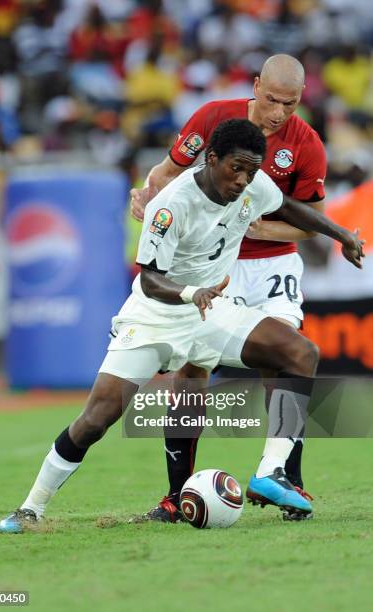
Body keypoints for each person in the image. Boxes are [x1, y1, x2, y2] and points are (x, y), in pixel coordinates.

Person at [0, 119, 363, 533]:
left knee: (301, 352)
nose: (243, 180)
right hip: (156, 315)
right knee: (97, 417)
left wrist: (340, 235)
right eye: (236, 169)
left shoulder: (251, 181)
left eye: (250, 171)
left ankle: (272, 470)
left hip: (209, 311)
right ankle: (30, 508)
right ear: (211, 159)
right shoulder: (170, 205)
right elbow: (151, 279)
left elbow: (286, 205)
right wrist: (193, 294)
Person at [130, 54, 329, 521]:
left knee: (284, 361)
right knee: (193, 374)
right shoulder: (214, 117)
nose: (280, 112)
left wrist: (260, 230)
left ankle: (284, 478)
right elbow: (166, 172)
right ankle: (175, 496)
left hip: (273, 267)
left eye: (291, 104)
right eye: (272, 99)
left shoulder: (307, 144)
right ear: (256, 86)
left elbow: (309, 225)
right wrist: (147, 192)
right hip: (213, 266)